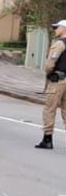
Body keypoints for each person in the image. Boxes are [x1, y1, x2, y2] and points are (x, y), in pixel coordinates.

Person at [36, 19, 66, 149]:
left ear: (64, 29)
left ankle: (47, 139)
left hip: (56, 81)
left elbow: (49, 64)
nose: (55, 30)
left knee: (49, 108)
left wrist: (49, 73)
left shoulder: (59, 44)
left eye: (57, 27)